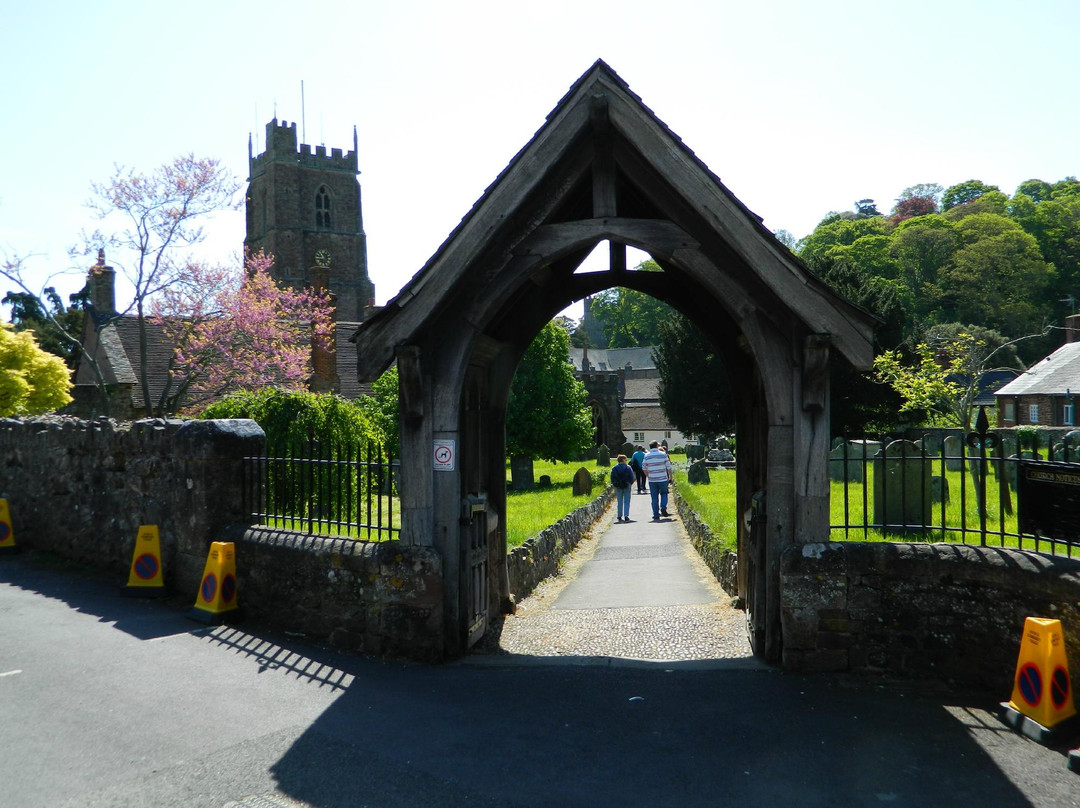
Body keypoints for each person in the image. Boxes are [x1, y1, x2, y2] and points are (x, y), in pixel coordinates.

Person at [640, 440, 674, 520]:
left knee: (654, 497)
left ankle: (656, 514)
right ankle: (663, 507)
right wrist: (670, 478)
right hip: (663, 478)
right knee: (664, 494)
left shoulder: (646, 456)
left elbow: (644, 467)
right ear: (657, 446)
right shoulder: (663, 454)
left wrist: (648, 475)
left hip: (652, 479)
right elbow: (669, 467)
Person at [610, 454, 636, 522]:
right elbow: (632, 477)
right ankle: (626, 515)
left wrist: (615, 484)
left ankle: (619, 515)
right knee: (627, 500)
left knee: (619, 501)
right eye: (625, 459)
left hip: (618, 485)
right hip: (627, 484)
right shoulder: (628, 467)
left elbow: (612, 478)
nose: (626, 460)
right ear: (623, 460)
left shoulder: (614, 468)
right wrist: (630, 483)